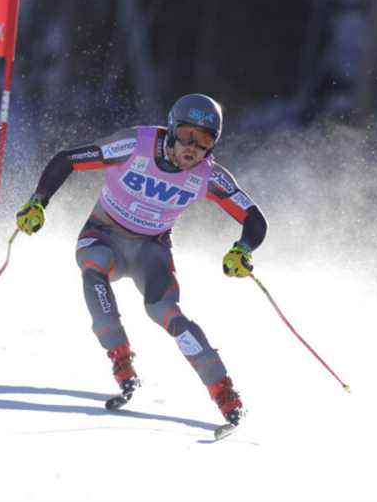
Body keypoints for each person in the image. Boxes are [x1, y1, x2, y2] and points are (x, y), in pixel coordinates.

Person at [15, 94, 267, 426]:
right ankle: (122, 363)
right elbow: (68, 159)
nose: (193, 148)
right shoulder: (134, 144)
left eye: (205, 141)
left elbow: (254, 217)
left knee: (165, 312)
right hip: (104, 233)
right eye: (188, 135)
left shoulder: (208, 175)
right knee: (93, 265)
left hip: (151, 248)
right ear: (172, 129)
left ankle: (226, 395)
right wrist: (38, 202)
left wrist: (243, 249)